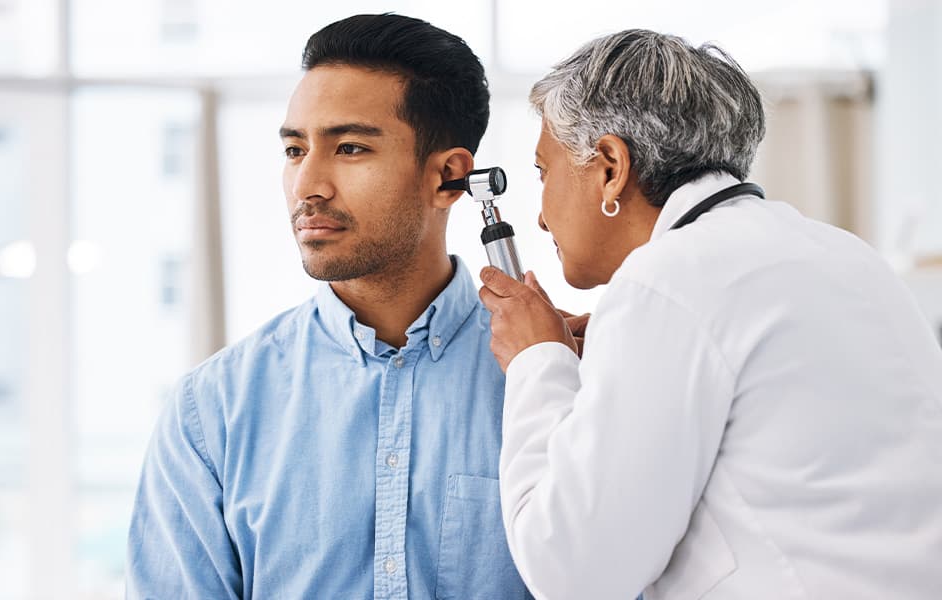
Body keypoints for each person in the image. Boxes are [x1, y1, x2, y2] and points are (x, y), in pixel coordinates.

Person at [479, 29, 942, 599]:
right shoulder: (843, 253)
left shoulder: (667, 280)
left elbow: (572, 572)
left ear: (609, 167)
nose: (542, 218)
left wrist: (537, 363)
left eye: (542, 172)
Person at [127, 14, 531, 599]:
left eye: (349, 148)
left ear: (448, 176)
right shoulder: (211, 413)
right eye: (295, 149)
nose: (307, 184)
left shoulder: (552, 381)